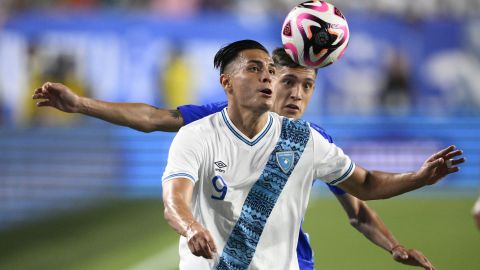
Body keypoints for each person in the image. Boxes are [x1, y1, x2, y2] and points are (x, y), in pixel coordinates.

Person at [31, 43, 463, 269]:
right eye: (287, 81)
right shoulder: (214, 122)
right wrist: (81, 104)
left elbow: (359, 206)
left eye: (307, 86)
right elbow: (153, 117)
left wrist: (394, 246)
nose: (296, 95)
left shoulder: (310, 139)